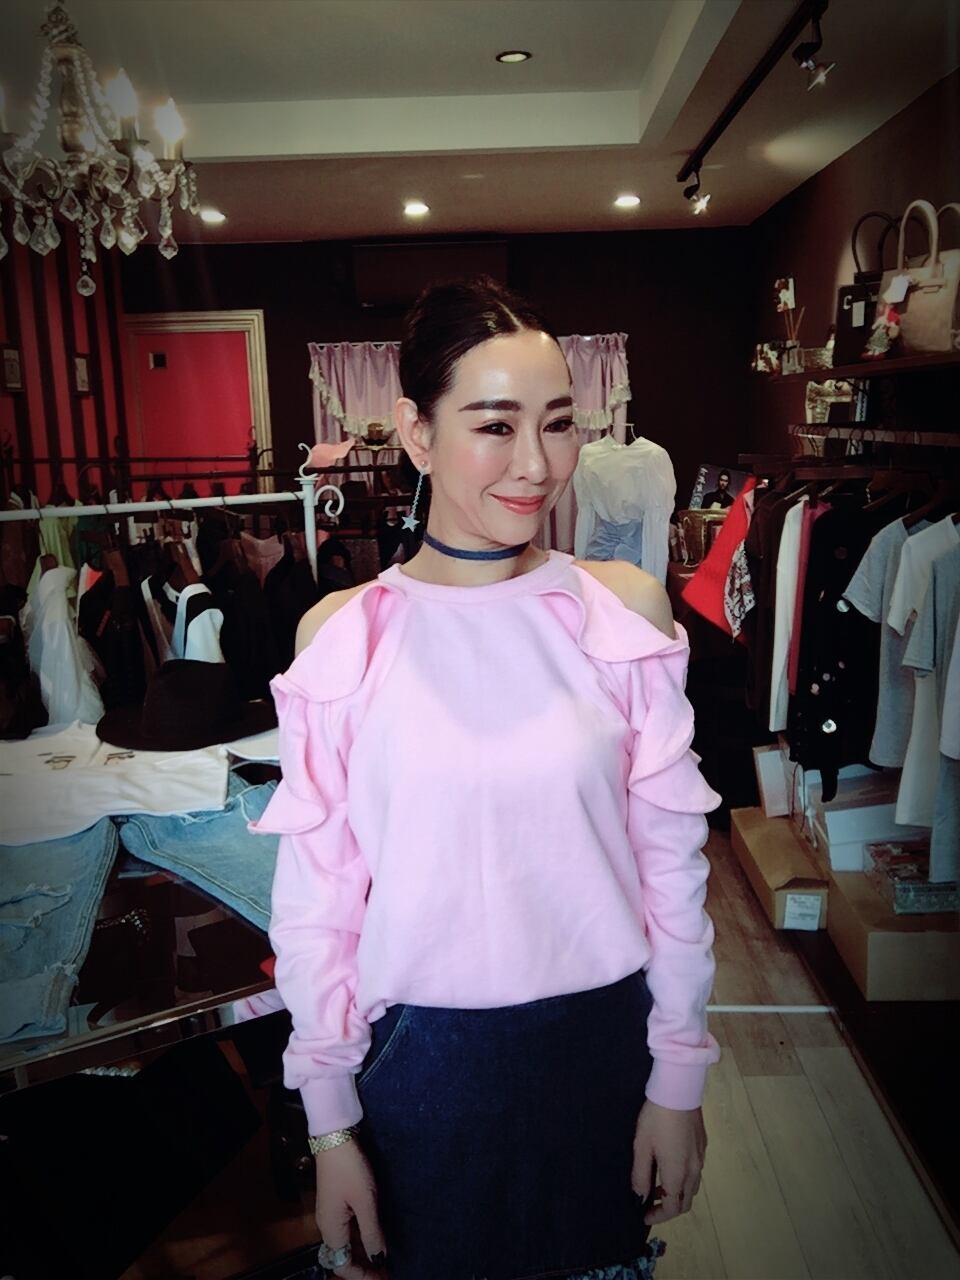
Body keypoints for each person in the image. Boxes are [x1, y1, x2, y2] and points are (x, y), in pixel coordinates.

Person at [253, 277, 721, 1280]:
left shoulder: (622, 612)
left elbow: (673, 871)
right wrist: (330, 1125)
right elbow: (317, 907)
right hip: (420, 1066)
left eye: (558, 422)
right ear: (416, 433)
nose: (537, 463)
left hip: (602, 1043)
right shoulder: (344, 637)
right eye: (495, 426)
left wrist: (677, 1076)